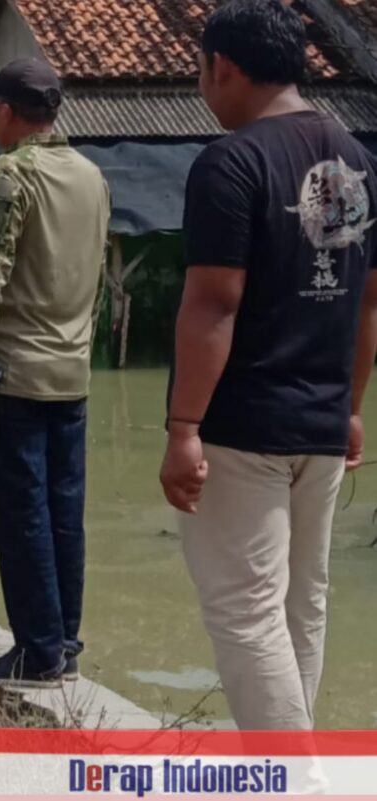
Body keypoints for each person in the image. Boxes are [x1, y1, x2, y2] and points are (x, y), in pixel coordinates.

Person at [161, 0, 377, 730]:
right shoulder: (358, 161)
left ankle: (292, 780)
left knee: (247, 614)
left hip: (244, 424)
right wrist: (350, 407)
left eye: (202, 71)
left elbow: (214, 305)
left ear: (224, 66)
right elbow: (367, 304)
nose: (202, 86)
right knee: (300, 603)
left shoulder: (232, 161)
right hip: (319, 423)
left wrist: (183, 425)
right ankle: (289, 764)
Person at [0, 59, 111, 688]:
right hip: (73, 374)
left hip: (12, 380)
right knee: (66, 512)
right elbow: (93, 282)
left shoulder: (9, 176)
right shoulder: (92, 177)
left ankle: (35, 653)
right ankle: (62, 644)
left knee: (21, 517)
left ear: (6, 112)